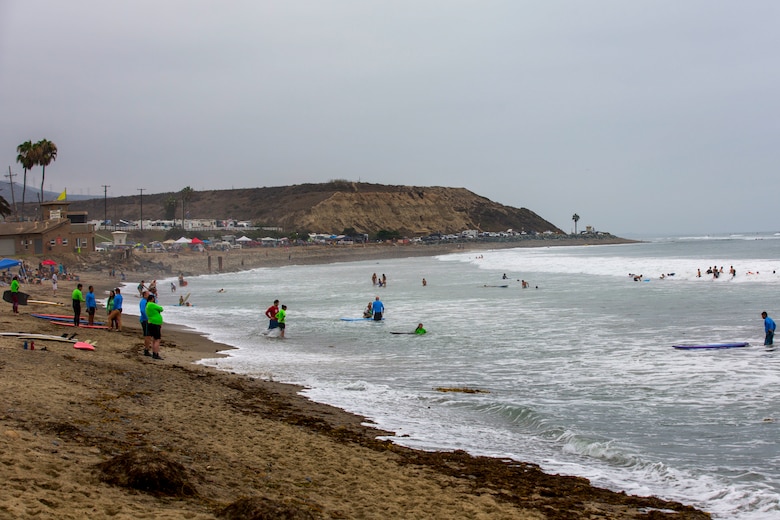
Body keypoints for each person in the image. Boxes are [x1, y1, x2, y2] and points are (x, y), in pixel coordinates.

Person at [145, 294, 164, 360]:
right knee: (157, 339)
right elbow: (161, 308)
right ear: (152, 299)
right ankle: (155, 353)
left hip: (151, 322)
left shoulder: (147, 305)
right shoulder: (151, 304)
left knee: (154, 339)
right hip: (155, 323)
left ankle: (154, 353)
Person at [139, 290, 152, 356]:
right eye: (148, 294)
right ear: (144, 295)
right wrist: (147, 318)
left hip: (145, 319)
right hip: (145, 320)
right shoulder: (143, 301)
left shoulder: (146, 301)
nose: (149, 295)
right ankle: (146, 350)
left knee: (148, 335)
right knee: (147, 335)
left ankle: (147, 349)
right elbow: (142, 311)